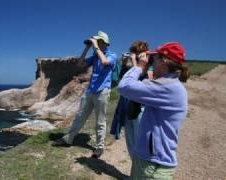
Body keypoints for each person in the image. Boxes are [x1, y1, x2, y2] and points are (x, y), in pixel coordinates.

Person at [118, 42, 190, 179]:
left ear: (163, 61)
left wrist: (139, 67)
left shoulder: (167, 87)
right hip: (151, 160)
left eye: (154, 58)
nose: (151, 62)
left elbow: (124, 86)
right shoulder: (169, 85)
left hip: (152, 164)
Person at [53, 31, 117, 158]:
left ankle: (99, 147)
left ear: (104, 43)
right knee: (80, 116)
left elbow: (104, 62)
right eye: (96, 41)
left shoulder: (112, 55)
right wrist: (86, 48)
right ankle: (68, 139)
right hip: (90, 90)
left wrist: (96, 47)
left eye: (99, 41)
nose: (96, 43)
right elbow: (79, 64)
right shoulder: (94, 56)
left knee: (100, 121)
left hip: (102, 91)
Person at [110, 40, 149, 159]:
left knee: (140, 142)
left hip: (138, 109)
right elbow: (120, 81)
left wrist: (135, 63)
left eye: (134, 53)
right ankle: (134, 171)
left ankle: (140, 173)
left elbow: (142, 77)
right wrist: (124, 64)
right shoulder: (130, 67)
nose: (132, 55)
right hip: (126, 108)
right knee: (131, 143)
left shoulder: (147, 65)